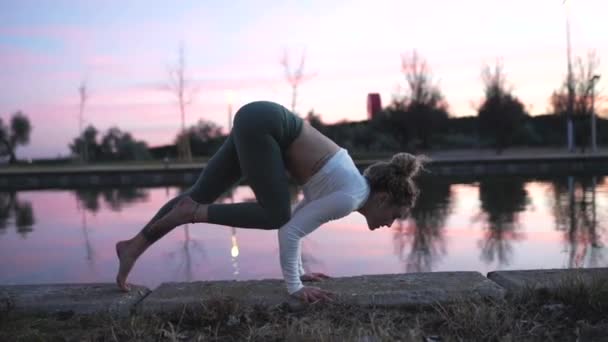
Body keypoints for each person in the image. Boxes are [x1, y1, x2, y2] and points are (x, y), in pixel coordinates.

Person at [115, 100, 425, 303]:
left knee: (201, 194)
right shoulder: (350, 197)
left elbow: (296, 225)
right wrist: (295, 287)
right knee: (274, 214)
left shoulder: (348, 187)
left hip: (259, 119)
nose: (390, 224)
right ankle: (192, 212)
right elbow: (288, 229)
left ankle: (133, 246)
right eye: (395, 215)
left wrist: (300, 270)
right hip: (266, 125)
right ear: (383, 198)